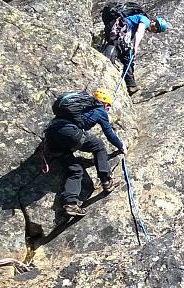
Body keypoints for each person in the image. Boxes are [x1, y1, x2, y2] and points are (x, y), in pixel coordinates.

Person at [43, 89, 127, 217]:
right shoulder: (99, 110)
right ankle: (107, 180)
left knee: (75, 170)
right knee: (98, 145)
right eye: (108, 107)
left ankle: (71, 204)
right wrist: (121, 146)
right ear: (105, 104)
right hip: (69, 132)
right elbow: (109, 133)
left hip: (51, 137)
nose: (107, 110)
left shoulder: (77, 108)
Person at [101, 5, 168, 94]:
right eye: (157, 26)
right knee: (116, 47)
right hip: (119, 32)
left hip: (119, 32)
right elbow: (139, 32)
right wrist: (135, 47)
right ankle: (105, 64)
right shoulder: (145, 20)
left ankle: (131, 85)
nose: (155, 29)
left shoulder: (138, 22)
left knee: (128, 58)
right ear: (153, 20)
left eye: (158, 30)